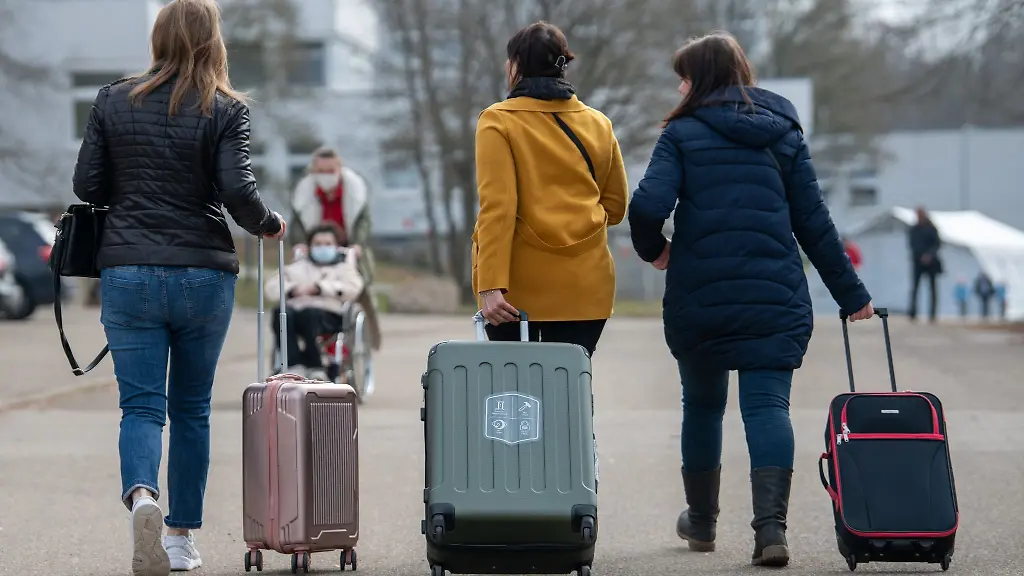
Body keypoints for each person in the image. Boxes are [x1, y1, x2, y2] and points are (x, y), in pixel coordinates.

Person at [627, 32, 873, 567]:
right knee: (767, 407)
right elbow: (814, 222)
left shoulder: (682, 133)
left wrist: (657, 251)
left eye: (683, 78)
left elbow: (645, 206)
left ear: (700, 79)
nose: (680, 88)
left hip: (701, 295)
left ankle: (702, 523)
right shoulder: (783, 134)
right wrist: (852, 295)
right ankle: (770, 531)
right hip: (773, 295)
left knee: (703, 406)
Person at [70, 1, 286, 574]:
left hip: (128, 270)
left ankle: (143, 494)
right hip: (202, 273)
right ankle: (180, 538)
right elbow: (236, 188)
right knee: (192, 409)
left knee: (141, 406)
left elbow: (87, 184)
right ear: (213, 41)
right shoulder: (226, 108)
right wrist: (267, 223)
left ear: (158, 38)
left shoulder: (112, 100)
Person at [474, 21, 629, 356]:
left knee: (518, 386)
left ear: (516, 65)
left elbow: (498, 208)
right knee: (570, 383)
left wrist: (489, 285)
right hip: (586, 286)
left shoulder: (498, 121)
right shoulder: (599, 123)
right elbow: (616, 207)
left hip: (515, 293)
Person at [265, 222, 365, 380]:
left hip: (329, 314)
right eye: (317, 244)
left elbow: (354, 287)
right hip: (295, 310)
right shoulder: (298, 266)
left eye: (328, 244)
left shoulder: (344, 268)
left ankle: (315, 366)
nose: (322, 247)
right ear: (310, 247)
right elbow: (271, 286)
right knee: (281, 313)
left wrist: (320, 288)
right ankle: (293, 364)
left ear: (336, 246)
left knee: (309, 314)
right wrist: (292, 289)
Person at [291, 146, 375, 283]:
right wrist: (299, 243)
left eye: (330, 171)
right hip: (316, 250)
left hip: (348, 249)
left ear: (339, 169)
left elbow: (363, 221)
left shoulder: (356, 193)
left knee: (358, 283)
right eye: (321, 171)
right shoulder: (303, 195)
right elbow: (297, 223)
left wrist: (357, 243)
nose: (326, 176)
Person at [908, 206, 942, 322]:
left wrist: (929, 255)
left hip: (931, 262)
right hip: (917, 262)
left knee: (932, 288)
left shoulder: (931, 228)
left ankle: (932, 314)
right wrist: (920, 256)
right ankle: (913, 313)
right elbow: (912, 244)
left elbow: (937, 244)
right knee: (915, 287)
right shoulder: (914, 229)